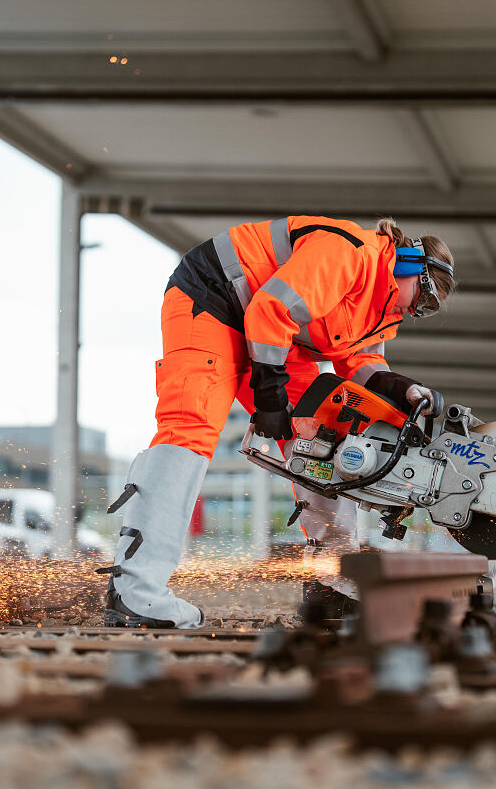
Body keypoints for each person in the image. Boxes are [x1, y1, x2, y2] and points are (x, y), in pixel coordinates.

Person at [100, 216, 456, 628]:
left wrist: (405, 389)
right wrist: (269, 397)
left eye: (425, 312)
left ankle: (331, 587)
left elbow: (361, 363)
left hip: (271, 337)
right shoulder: (350, 255)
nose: (414, 311)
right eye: (424, 298)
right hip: (215, 296)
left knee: (330, 435)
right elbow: (272, 308)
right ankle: (136, 592)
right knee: (191, 427)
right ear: (409, 265)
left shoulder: (381, 310)